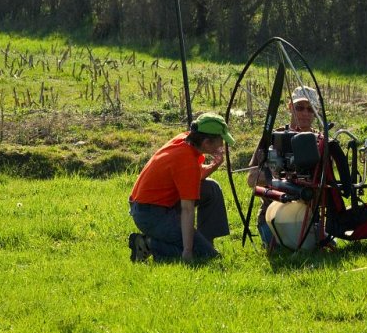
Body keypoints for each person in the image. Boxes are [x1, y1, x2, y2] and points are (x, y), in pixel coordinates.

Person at [128, 112, 235, 263]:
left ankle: (205, 241)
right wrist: (187, 251)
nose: (222, 145)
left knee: (211, 188)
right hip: (150, 215)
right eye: (220, 141)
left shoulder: (185, 139)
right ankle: (148, 244)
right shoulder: (186, 161)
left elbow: (192, 177)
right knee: (206, 257)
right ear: (206, 143)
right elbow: (187, 209)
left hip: (156, 207)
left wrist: (214, 165)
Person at [247, 86, 321, 247]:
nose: (305, 113)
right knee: (287, 248)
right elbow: (251, 179)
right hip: (274, 215)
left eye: (310, 109)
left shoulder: (321, 141)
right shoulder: (273, 138)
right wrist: (277, 177)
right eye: (299, 108)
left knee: (317, 246)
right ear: (290, 107)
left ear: (316, 113)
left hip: (310, 216)